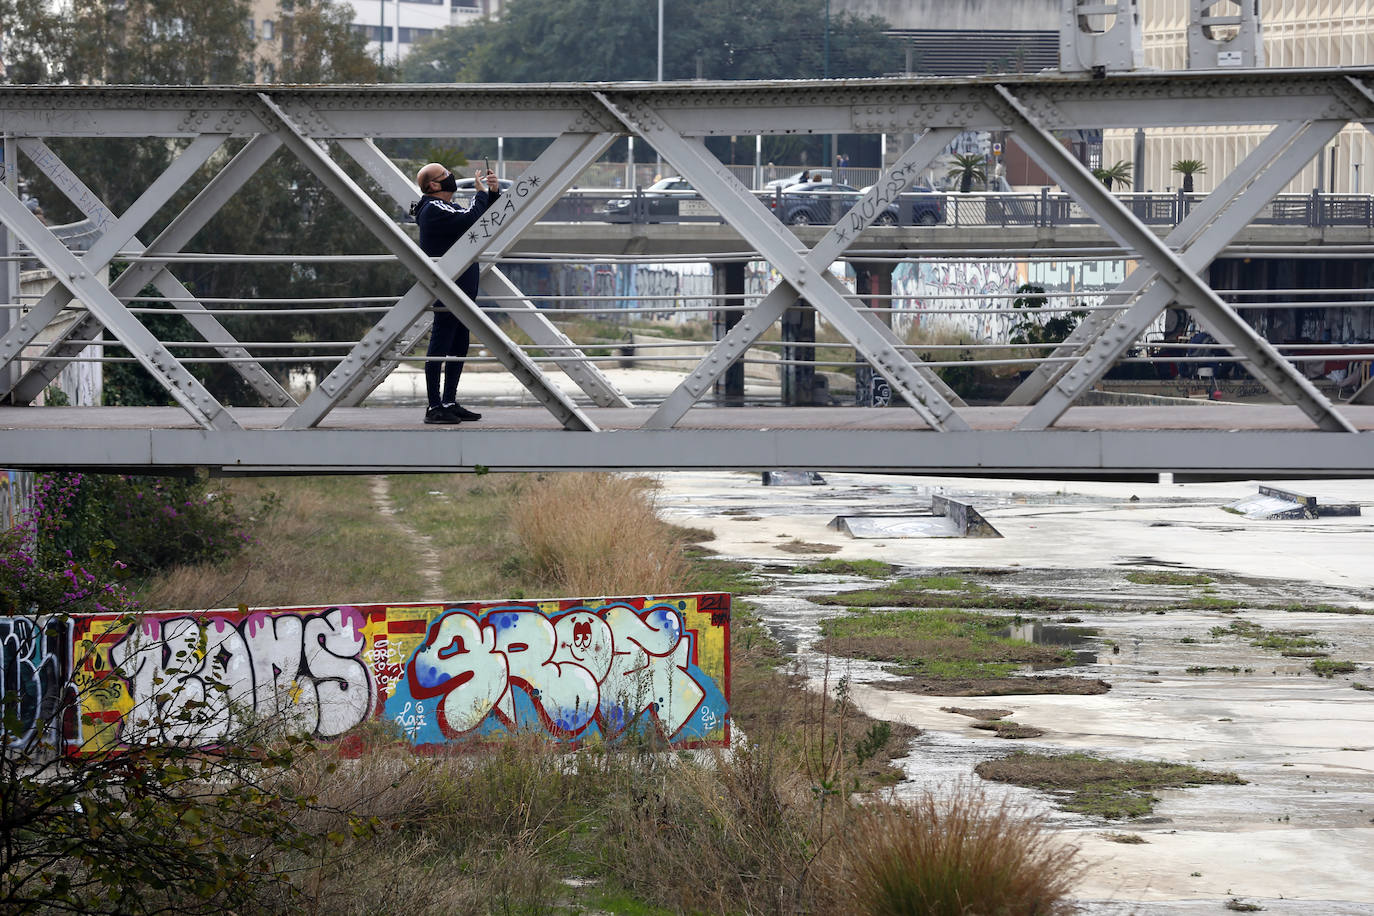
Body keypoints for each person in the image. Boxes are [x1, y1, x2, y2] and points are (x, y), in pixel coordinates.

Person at [410, 162, 501, 424]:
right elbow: (470, 221)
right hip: (449, 289)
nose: (451, 178)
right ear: (434, 185)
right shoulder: (433, 207)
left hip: (462, 288)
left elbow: (481, 222)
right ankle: (434, 406)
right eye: (446, 175)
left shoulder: (448, 207)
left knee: (459, 345)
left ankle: (449, 401)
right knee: (440, 346)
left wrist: (492, 194)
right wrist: (482, 193)